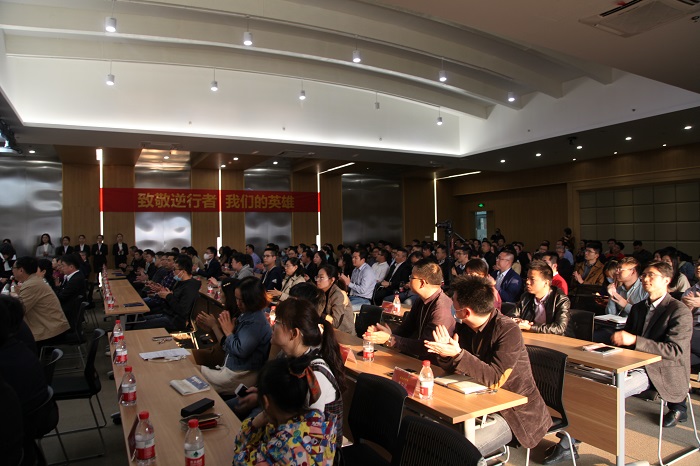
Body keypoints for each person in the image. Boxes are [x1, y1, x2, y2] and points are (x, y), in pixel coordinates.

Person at [544, 260, 693, 464]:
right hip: (631, 363)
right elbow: (627, 343)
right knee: (582, 380)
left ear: (667, 280)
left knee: (604, 392)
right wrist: (608, 349)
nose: (645, 279)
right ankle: (570, 435)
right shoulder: (639, 308)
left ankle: (568, 443)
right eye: (644, 275)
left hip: (660, 369)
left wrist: (635, 340)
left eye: (651, 275)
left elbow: (675, 351)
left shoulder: (678, 310)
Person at [424, 276, 551, 457]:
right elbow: (458, 367)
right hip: (476, 402)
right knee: (431, 437)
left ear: (466, 312)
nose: (452, 307)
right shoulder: (465, 327)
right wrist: (446, 354)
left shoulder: (508, 330)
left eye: (454, 304)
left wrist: (458, 354)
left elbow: (495, 378)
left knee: (458, 452)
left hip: (512, 413)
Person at [236, 298, 346, 449]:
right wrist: (265, 395)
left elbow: (308, 434)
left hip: (315, 451)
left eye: (277, 322)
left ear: (294, 333)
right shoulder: (288, 356)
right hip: (289, 439)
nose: (272, 325)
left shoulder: (315, 376)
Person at [232, 357, 337, 465]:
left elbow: (239, 461)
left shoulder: (283, 448)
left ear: (266, 401)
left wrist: (253, 425)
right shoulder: (318, 421)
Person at [367, 259, 455, 363]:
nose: (409, 280)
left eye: (411, 277)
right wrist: (384, 335)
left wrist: (390, 339)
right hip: (419, 358)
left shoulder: (441, 309)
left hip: (436, 364)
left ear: (422, 283)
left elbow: (426, 346)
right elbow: (407, 328)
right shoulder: (420, 300)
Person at [201, 276, 272, 395]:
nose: (238, 303)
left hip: (240, 375)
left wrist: (228, 332)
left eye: (241, 300)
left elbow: (240, 350)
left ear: (253, 300)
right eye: (236, 299)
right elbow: (227, 347)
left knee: (193, 372)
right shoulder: (246, 315)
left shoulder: (256, 322)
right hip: (231, 368)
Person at [130, 254, 200, 331]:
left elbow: (182, 311)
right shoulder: (180, 282)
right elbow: (173, 299)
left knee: (138, 326)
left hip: (175, 320)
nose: (173, 272)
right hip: (167, 314)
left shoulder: (190, 286)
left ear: (183, 271)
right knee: (137, 321)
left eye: (175, 269)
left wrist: (168, 296)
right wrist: (163, 292)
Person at [13, 256, 70, 346]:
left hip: (49, 331)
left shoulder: (32, 285)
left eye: (13, 268)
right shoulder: (34, 281)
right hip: (50, 326)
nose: (12, 270)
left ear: (21, 270)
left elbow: (19, 311)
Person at [512, 260, 572, 336]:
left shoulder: (560, 299)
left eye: (532, 279)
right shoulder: (526, 296)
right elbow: (512, 314)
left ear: (546, 283)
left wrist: (530, 327)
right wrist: (518, 321)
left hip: (557, 339)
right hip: (532, 336)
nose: (527, 282)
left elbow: (559, 328)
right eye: (527, 278)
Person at [315, 264, 355, 334]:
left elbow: (335, 323)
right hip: (327, 331)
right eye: (317, 277)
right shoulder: (321, 292)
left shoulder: (338, 295)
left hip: (343, 334)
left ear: (332, 280)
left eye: (321, 278)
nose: (317, 280)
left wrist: (319, 313)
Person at [55, 253, 87, 325]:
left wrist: (57, 288)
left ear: (71, 267)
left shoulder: (76, 279)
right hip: (70, 307)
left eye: (63, 266)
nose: (61, 268)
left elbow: (62, 297)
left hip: (70, 311)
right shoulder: (73, 276)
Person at [681, 261, 700, 374]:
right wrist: (688, 309)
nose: (699, 267)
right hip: (692, 328)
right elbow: (680, 318)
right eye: (697, 264)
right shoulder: (690, 291)